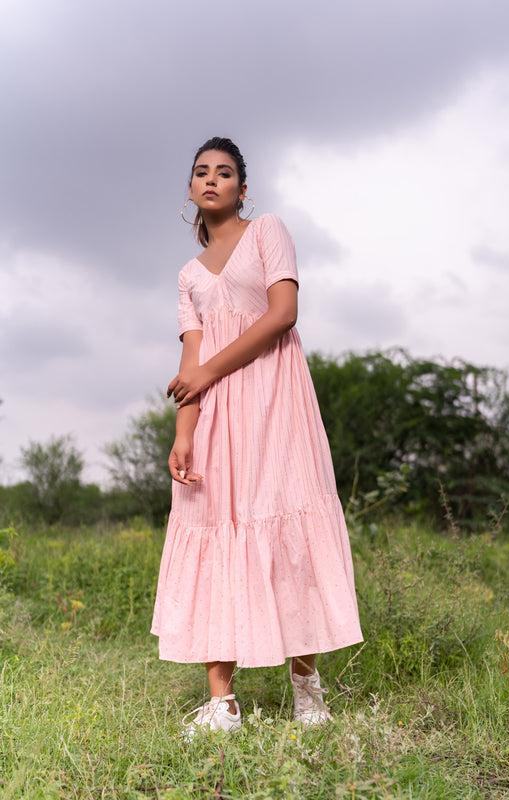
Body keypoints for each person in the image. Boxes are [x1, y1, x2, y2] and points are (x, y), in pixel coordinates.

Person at [151, 137, 363, 735]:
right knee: (215, 533)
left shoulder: (268, 230)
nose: (212, 179)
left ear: (244, 189)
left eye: (225, 173)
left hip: (277, 405)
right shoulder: (188, 277)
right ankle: (223, 703)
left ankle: (307, 688)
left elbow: (283, 314)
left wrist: (209, 371)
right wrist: (182, 436)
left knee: (288, 522)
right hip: (218, 419)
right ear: (191, 190)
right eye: (201, 172)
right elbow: (191, 368)